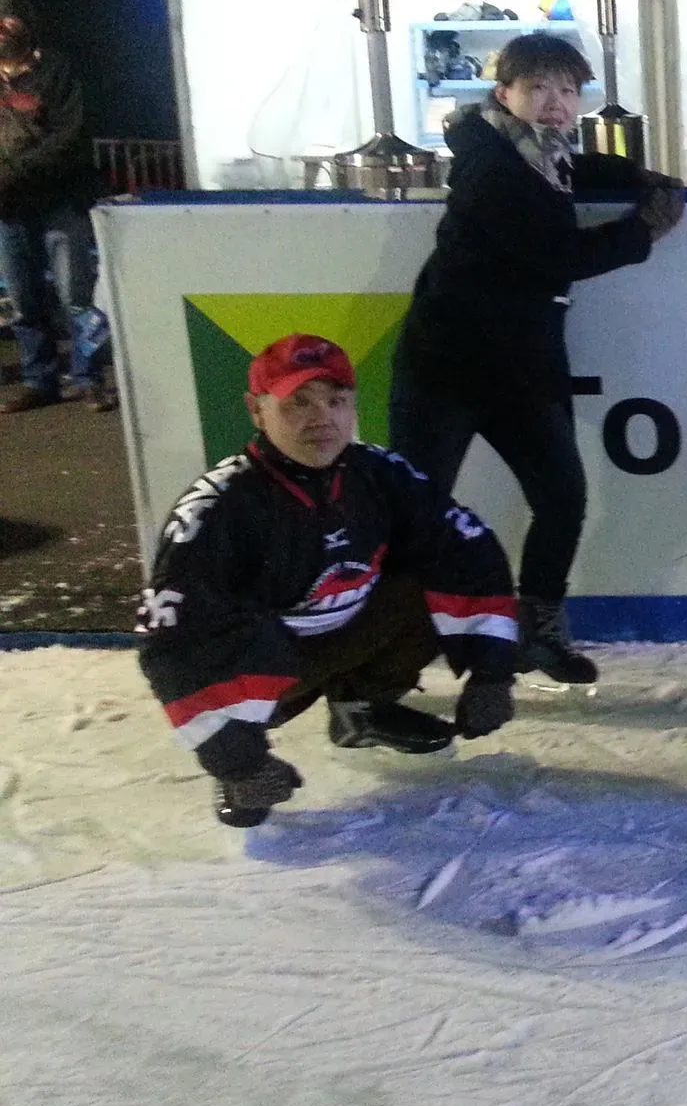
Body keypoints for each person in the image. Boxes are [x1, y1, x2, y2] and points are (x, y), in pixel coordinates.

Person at [391, 33, 684, 686]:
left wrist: (642, 178)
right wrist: (644, 230)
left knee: (561, 498)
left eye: (566, 90)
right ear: (505, 94)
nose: (554, 104)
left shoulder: (539, 154)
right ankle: (374, 663)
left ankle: (539, 633)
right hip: (446, 367)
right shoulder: (490, 166)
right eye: (538, 89)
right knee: (413, 514)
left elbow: (576, 171)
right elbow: (557, 257)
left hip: (520, 368)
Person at [139, 334, 521, 828]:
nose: (322, 418)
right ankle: (244, 770)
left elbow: (469, 550)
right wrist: (236, 760)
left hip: (343, 634)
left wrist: (492, 671)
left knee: (431, 572)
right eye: (298, 402)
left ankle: (360, 710)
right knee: (235, 628)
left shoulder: (379, 472)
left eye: (336, 401)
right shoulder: (218, 508)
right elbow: (171, 642)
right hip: (271, 671)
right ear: (257, 410)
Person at [0, 0, 113, 413]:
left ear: (25, 23)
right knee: (25, 302)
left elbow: (70, 137)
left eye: (7, 18)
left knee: (77, 298)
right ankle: (39, 381)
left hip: (59, 204)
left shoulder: (57, 71)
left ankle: (89, 378)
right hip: (9, 212)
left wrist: (12, 173)